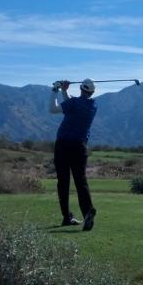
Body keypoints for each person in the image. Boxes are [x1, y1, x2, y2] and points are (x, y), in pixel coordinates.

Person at [49, 78, 98, 231]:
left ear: (81, 89)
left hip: (63, 145)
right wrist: (64, 91)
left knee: (63, 182)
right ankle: (88, 211)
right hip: (80, 147)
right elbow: (71, 105)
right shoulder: (93, 105)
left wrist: (55, 91)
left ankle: (66, 217)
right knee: (81, 181)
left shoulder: (74, 103)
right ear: (92, 91)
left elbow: (53, 109)